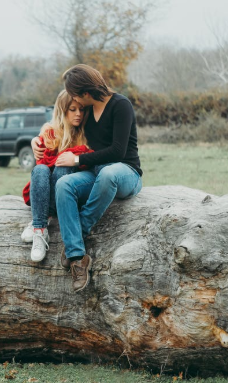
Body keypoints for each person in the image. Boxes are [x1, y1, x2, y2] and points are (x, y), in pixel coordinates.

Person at [51, 64, 143, 292]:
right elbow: (61, 126)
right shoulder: (87, 111)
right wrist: (38, 140)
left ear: (85, 92)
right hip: (96, 172)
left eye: (74, 94)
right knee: (64, 185)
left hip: (125, 172)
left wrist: (76, 161)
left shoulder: (121, 105)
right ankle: (78, 258)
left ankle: (77, 234)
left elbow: (118, 151)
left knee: (108, 173)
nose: (73, 100)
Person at [21, 90, 92, 263]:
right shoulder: (50, 132)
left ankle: (42, 218)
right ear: (62, 110)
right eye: (73, 109)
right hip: (45, 189)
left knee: (62, 167)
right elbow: (41, 162)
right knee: (40, 170)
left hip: (67, 194)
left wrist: (73, 158)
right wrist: (35, 140)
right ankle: (40, 229)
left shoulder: (86, 133)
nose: (78, 114)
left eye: (81, 110)